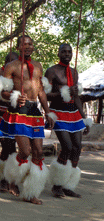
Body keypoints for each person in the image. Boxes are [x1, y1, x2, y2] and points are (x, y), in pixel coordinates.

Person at [0, 35, 55, 205]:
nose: (28, 46)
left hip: (34, 111)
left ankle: (31, 192)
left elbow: (41, 91)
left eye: (30, 43)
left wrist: (48, 112)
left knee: (38, 152)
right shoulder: (11, 66)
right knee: (25, 152)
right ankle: (13, 179)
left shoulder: (38, 66)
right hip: (18, 110)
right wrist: (14, 97)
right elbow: (3, 92)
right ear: (19, 47)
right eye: (24, 44)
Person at [45, 43, 92, 198]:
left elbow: (76, 96)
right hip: (58, 113)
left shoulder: (74, 72)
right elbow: (44, 95)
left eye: (69, 52)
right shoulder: (51, 71)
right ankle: (57, 185)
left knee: (77, 147)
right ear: (58, 53)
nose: (67, 54)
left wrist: (84, 118)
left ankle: (68, 185)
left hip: (74, 114)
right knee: (67, 147)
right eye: (63, 51)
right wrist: (62, 93)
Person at [0, 52, 19, 193]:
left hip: (13, 115)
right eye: (10, 62)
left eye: (15, 61)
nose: (13, 64)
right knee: (8, 146)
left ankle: (9, 179)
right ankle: (4, 180)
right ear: (6, 62)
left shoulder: (20, 75)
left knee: (11, 148)